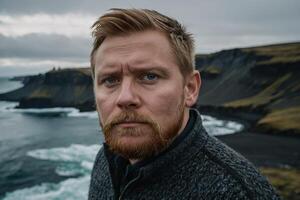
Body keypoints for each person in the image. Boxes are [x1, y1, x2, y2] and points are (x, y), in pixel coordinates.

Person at [88, 8, 280, 200]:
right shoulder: (105, 161)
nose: (125, 98)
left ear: (190, 88)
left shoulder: (239, 193)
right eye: (110, 80)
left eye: (149, 76)